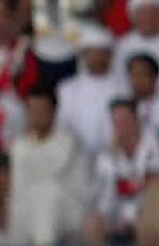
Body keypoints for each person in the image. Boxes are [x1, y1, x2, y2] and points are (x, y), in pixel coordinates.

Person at [8, 87, 89, 246]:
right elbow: (19, 187)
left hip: (69, 209)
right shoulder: (19, 145)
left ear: (53, 112)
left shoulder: (69, 142)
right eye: (32, 109)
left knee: (47, 193)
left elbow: (49, 175)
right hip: (29, 209)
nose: (36, 115)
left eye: (41, 110)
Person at [84, 98, 159, 246]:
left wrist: (130, 217)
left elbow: (150, 188)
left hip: (147, 216)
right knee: (91, 224)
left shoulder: (155, 151)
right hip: (115, 218)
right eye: (116, 122)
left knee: (142, 224)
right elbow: (98, 197)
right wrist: (113, 162)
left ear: (136, 121)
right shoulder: (106, 158)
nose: (121, 126)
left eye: (125, 120)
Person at [56, 23, 123, 158]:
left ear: (110, 56)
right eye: (93, 53)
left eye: (103, 53)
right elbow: (60, 126)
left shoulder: (123, 89)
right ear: (84, 55)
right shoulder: (67, 89)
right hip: (74, 157)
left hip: (113, 158)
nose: (98, 58)